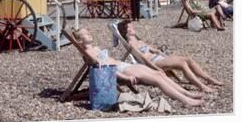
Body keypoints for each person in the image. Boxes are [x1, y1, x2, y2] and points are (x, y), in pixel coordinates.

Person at [73, 29, 203, 107]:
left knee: (160, 74)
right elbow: (106, 69)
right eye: (85, 33)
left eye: (88, 32)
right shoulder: (89, 54)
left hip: (124, 65)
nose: (89, 33)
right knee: (157, 80)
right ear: (79, 40)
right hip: (122, 70)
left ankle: (188, 93)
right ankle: (186, 100)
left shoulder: (96, 49)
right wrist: (125, 78)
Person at [117, 20, 223, 93]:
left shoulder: (139, 40)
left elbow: (155, 50)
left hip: (160, 58)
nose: (133, 28)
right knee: (182, 64)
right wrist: (156, 69)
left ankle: (209, 79)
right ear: (126, 32)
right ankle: (202, 86)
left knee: (188, 59)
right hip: (154, 62)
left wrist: (165, 56)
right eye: (130, 27)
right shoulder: (131, 45)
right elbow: (144, 59)